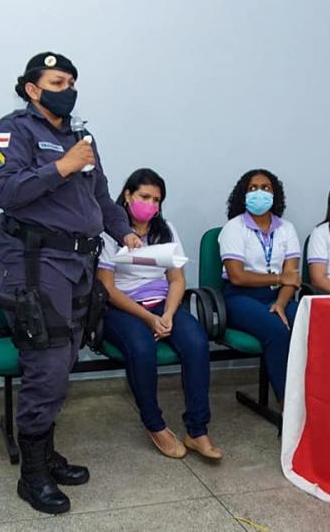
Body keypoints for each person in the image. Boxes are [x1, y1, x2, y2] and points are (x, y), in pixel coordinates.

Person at [0, 52, 141, 515]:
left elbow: (102, 199)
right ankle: (31, 475)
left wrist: (124, 230)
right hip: (34, 262)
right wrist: (62, 166)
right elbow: (4, 191)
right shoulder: (11, 131)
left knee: (64, 358)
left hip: (77, 265)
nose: (67, 87)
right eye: (57, 80)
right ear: (33, 88)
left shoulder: (81, 138)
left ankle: (46, 455)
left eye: (72, 80)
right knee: (47, 363)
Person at [97, 169, 222, 460]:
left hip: (163, 304)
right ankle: (155, 425)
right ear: (127, 196)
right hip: (123, 307)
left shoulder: (165, 230)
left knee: (196, 343)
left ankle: (197, 430)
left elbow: (177, 279)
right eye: (144, 197)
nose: (150, 205)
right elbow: (107, 288)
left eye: (156, 200)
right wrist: (147, 318)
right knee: (141, 348)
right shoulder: (109, 232)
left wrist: (167, 314)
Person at [218, 169, 301, 406]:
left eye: (266, 188)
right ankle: (287, 405)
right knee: (276, 331)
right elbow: (237, 276)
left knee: (309, 322)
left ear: (275, 195)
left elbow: (292, 277)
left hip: (279, 297)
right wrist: (278, 279)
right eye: (253, 188)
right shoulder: (234, 228)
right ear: (243, 195)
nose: (259, 193)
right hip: (239, 298)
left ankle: (314, 397)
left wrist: (281, 304)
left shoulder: (287, 229)